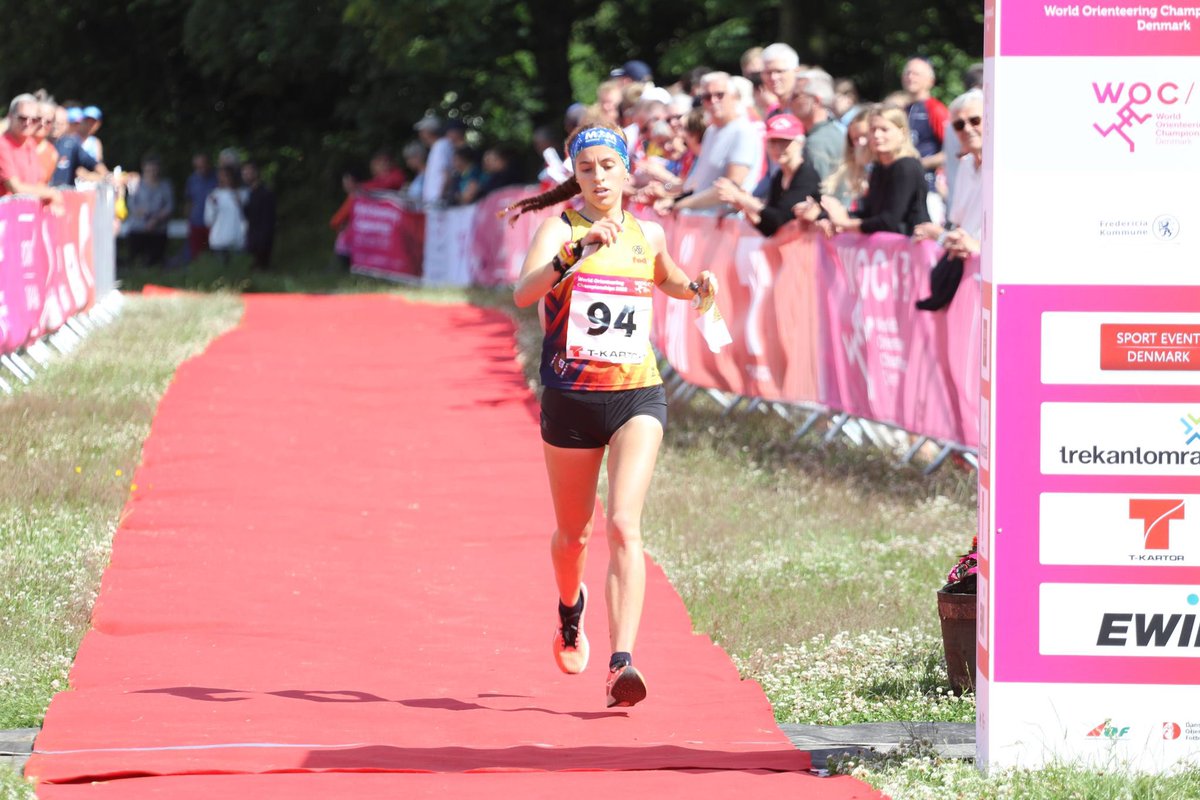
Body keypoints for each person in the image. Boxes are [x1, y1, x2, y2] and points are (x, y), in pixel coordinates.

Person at [506, 123, 717, 708]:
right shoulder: (561, 227)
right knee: (574, 534)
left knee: (625, 523)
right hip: (571, 399)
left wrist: (700, 289)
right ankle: (570, 610)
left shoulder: (647, 232)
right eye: (587, 168)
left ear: (629, 171)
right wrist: (575, 253)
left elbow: (672, 281)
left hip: (636, 395)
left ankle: (622, 661)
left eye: (608, 166)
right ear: (575, 175)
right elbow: (524, 293)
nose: (599, 178)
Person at [818, 104, 930, 236]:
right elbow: (869, 214)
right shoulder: (879, 168)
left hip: (910, 247)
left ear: (902, 132)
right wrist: (830, 218)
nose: (877, 135)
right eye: (873, 130)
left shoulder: (906, 166)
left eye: (884, 129)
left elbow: (889, 221)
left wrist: (845, 223)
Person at [663, 72, 763, 213]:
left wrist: (683, 204)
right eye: (707, 97)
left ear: (734, 97)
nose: (713, 101)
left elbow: (731, 186)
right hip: (702, 221)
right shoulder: (712, 131)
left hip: (728, 222)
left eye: (720, 95)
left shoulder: (743, 131)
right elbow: (698, 182)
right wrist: (668, 195)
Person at [716, 113, 820, 237]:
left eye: (784, 141)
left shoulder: (806, 175)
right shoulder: (779, 176)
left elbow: (781, 218)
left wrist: (744, 199)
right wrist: (745, 208)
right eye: (772, 142)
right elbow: (771, 228)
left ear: (800, 143)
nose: (777, 148)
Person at [1, 94, 62, 204]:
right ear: (10, 116)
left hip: (27, 215)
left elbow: (38, 183)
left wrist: (47, 194)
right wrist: (50, 193)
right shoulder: (3, 145)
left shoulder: (30, 143)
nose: (28, 123)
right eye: (22, 118)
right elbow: (16, 188)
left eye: (34, 119)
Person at [790, 69, 844, 182]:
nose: (790, 101)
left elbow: (813, 188)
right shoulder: (835, 130)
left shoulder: (817, 142)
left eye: (796, 96)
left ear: (815, 100)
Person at [124, 155, 175, 267]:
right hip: (138, 229)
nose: (152, 172)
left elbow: (169, 207)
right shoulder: (136, 185)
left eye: (154, 169)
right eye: (149, 169)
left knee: (156, 262)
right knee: (136, 262)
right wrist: (144, 215)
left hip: (159, 230)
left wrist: (155, 220)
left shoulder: (165, 186)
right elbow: (131, 206)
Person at [204, 166, 245, 259]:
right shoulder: (213, 195)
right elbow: (208, 221)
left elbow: (246, 217)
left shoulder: (242, 194)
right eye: (220, 176)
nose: (222, 179)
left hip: (237, 241)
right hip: (218, 241)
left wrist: (240, 204)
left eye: (226, 176)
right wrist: (213, 206)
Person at [241, 161, 276, 269]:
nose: (246, 176)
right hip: (251, 235)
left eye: (248, 173)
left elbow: (268, 218)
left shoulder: (266, 193)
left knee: (261, 266)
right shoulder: (247, 193)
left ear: (256, 173)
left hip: (262, 237)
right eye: (244, 173)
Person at [183, 153, 218, 263]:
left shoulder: (218, 178)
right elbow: (189, 201)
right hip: (196, 222)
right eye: (198, 167)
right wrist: (189, 220)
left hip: (214, 224)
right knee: (196, 254)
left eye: (203, 165)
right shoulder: (192, 180)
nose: (201, 169)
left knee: (214, 254)